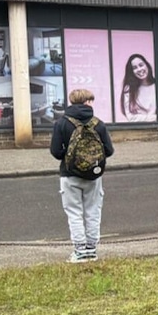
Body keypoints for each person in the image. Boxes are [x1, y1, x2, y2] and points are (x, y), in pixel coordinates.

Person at [50, 88, 115, 262]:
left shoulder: (61, 123)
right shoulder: (98, 124)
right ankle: (92, 249)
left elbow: (56, 151)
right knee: (93, 211)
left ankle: (79, 250)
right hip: (94, 176)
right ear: (87, 102)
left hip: (69, 175)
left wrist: (72, 159)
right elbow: (109, 151)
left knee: (74, 212)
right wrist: (91, 160)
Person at [117, 52, 156, 120]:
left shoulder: (157, 86)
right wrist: (154, 118)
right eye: (135, 68)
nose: (139, 69)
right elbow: (131, 117)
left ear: (147, 65)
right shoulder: (129, 89)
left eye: (141, 65)